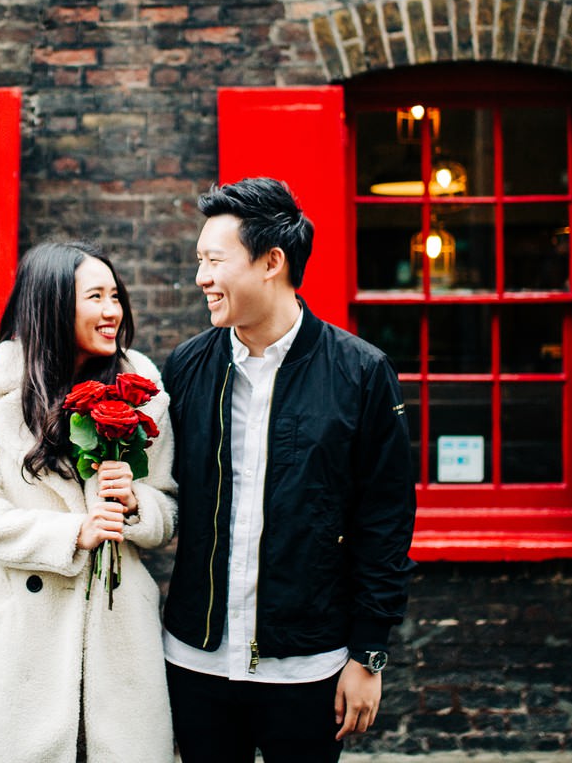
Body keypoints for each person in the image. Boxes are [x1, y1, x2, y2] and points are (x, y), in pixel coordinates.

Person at [161, 177, 416, 762]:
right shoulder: (184, 369)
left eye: (214, 261)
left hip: (309, 668)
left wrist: (368, 655)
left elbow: (386, 521)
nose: (201, 277)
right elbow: (163, 496)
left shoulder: (362, 373)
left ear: (272, 261)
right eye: (199, 260)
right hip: (195, 663)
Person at [0, 241, 177, 763]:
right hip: (18, 640)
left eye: (115, 295)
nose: (112, 310)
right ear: (51, 305)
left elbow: (168, 511)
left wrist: (135, 504)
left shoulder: (144, 391)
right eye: (95, 297)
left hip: (117, 637)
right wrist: (74, 534)